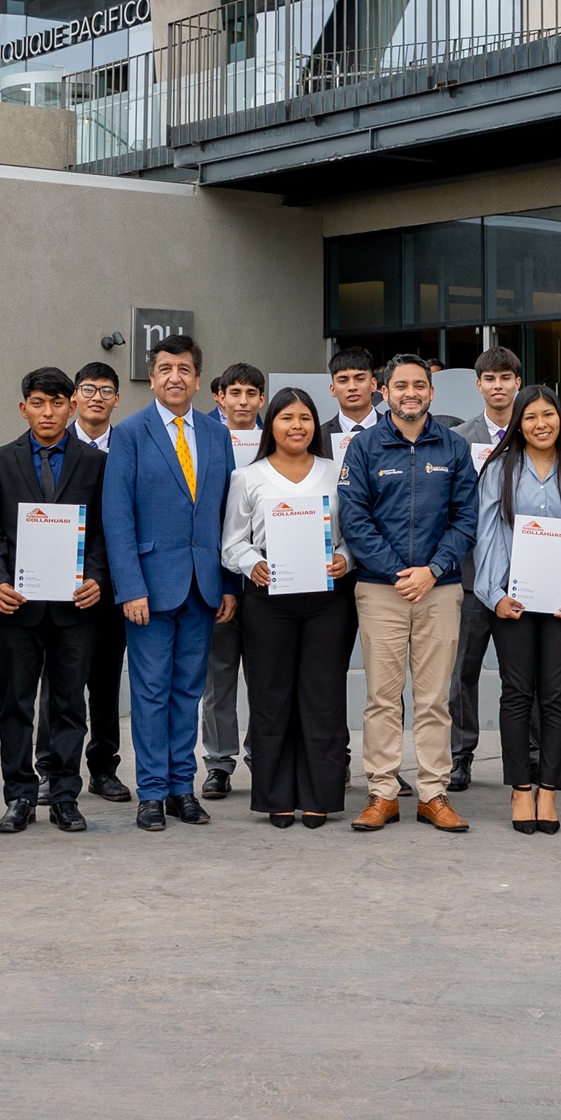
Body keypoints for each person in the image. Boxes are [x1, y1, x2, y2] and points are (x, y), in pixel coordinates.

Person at [338, 355, 480, 833]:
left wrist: (433, 569)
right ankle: (382, 792)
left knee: (435, 698)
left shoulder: (455, 447)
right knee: (382, 697)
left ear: (432, 392)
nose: (411, 393)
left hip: (440, 590)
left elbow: (466, 519)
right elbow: (354, 520)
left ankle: (433, 793)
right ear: (384, 391)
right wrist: (401, 571)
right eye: (401, 385)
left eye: (420, 385)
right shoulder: (364, 448)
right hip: (382, 590)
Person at [102, 333, 238, 830]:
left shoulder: (216, 434)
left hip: (204, 587)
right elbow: (117, 517)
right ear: (152, 377)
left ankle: (184, 788)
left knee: (188, 692)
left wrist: (229, 584)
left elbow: (227, 516)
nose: (174, 377)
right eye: (164, 369)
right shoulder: (131, 433)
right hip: (150, 589)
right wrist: (130, 586)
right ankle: (153, 792)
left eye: (184, 369)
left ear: (199, 380)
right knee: (151, 692)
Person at [0, 367, 110, 834]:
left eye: (57, 403)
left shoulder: (95, 463)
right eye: (38, 403)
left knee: (70, 704)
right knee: (15, 703)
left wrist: (95, 577)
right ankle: (18, 796)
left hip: (76, 607)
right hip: (18, 606)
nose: (48, 412)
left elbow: (101, 533)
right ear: (24, 408)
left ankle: (64, 796)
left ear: (71, 405)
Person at [219, 387, 357, 826]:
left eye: (305, 418)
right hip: (268, 600)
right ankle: (277, 796)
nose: (296, 426)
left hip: (327, 600)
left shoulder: (337, 472)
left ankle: (320, 795)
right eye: (286, 418)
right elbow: (232, 543)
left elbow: (352, 532)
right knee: (270, 696)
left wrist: (345, 558)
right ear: (270, 424)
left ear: (315, 425)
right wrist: (253, 563)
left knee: (324, 696)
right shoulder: (249, 477)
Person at [470, 383, 561, 835]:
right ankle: (520, 789)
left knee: (556, 695)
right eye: (531, 417)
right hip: (514, 599)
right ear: (518, 424)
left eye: (549, 415)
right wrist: (494, 595)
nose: (541, 424)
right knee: (516, 693)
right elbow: (486, 538)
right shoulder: (499, 470)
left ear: (560, 420)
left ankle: (548, 787)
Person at [49, 360, 131, 800]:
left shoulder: (130, 445)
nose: (96, 397)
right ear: (75, 398)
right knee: (58, 681)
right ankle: (51, 769)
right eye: (88, 389)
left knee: (104, 682)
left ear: (117, 399)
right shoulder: (52, 446)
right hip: (56, 585)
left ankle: (103, 767)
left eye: (106, 390)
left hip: (112, 584)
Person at [448, 346, 522, 794]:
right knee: (462, 674)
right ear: (478, 385)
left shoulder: (536, 428)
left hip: (524, 576)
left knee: (524, 673)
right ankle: (460, 756)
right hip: (471, 576)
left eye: (505, 378)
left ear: (517, 381)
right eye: (489, 378)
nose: (497, 386)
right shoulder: (459, 437)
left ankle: (532, 756)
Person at [198, 360, 268, 798]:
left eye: (250, 394)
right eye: (233, 393)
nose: (242, 402)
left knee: (265, 678)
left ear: (261, 398)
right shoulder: (200, 436)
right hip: (215, 577)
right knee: (218, 680)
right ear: (219, 397)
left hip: (267, 580)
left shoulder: (279, 433)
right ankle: (219, 763)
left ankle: (262, 756)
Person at [318, 347, 383, 455]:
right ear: (333, 389)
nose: (352, 387)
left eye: (360, 379)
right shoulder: (318, 437)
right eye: (343, 381)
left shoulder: (395, 430)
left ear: (373, 384)